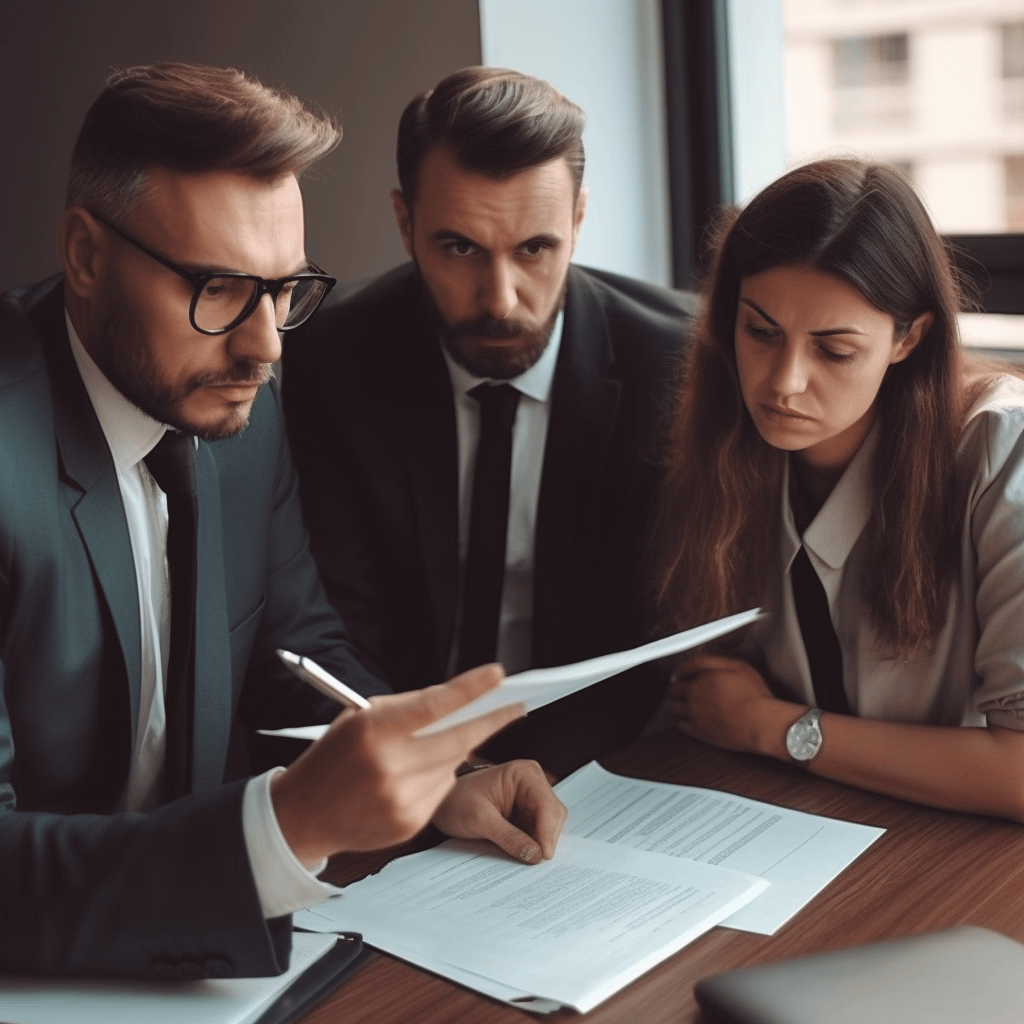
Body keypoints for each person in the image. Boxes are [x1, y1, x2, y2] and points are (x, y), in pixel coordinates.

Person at [0, 62, 567, 980]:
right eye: (218, 287)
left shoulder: (231, 393)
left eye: (285, 289)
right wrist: (285, 826)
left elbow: (293, 645)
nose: (265, 345)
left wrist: (430, 779)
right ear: (86, 256)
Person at [283, 66, 694, 778]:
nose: (500, 300)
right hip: (401, 763)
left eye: (535, 248)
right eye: (460, 248)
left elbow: (653, 641)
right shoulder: (333, 355)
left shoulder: (677, 365)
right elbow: (337, 626)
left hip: (610, 768)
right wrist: (440, 780)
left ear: (578, 220)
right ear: (405, 222)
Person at [654, 157, 1024, 822]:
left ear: (909, 337)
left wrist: (772, 726)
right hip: (800, 822)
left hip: (972, 852)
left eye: (834, 350)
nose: (783, 382)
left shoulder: (1004, 449)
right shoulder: (722, 444)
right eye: (761, 332)